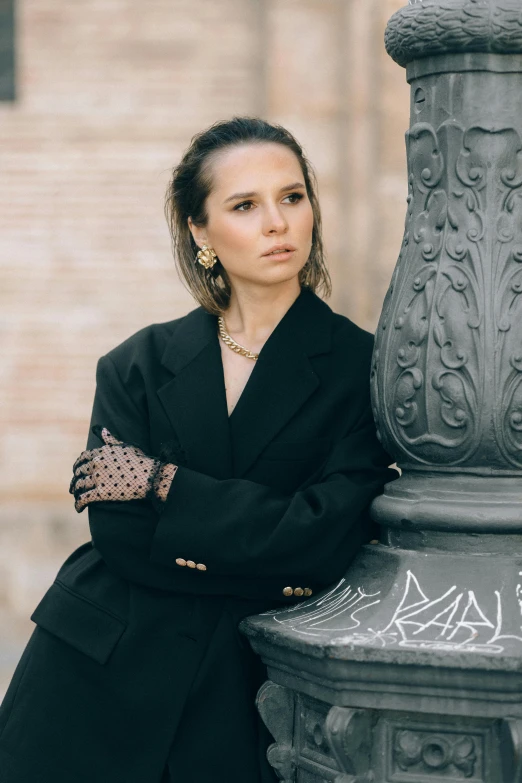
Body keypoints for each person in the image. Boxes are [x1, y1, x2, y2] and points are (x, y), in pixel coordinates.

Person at [0, 117, 396, 783]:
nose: (277, 222)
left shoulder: (363, 367)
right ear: (200, 230)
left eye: (291, 197)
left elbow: (325, 539)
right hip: (92, 675)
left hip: (242, 693)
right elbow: (120, 536)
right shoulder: (139, 362)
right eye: (245, 205)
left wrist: (162, 483)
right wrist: (266, 544)